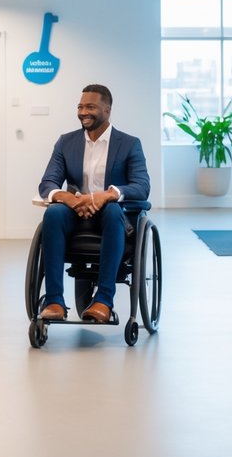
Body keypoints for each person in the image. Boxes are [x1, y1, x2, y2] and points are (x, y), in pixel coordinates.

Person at [36, 84, 150, 323]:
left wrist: (108, 194)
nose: (83, 112)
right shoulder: (66, 142)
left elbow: (141, 186)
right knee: (54, 214)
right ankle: (54, 301)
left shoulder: (129, 144)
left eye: (90, 107)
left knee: (111, 209)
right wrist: (68, 198)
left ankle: (104, 300)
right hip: (75, 214)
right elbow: (48, 183)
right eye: (80, 107)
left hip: (112, 217)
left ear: (107, 110)